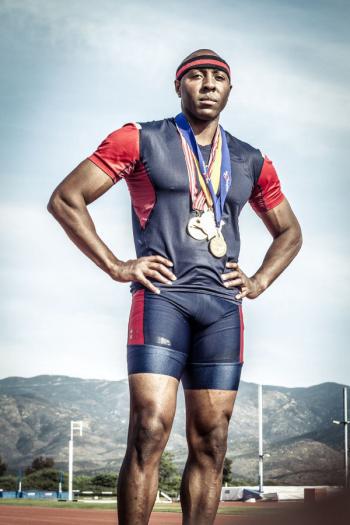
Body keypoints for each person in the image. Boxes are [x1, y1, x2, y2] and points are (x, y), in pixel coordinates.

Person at [47, 49, 302, 525]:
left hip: (223, 309)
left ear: (229, 90)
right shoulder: (140, 139)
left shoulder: (250, 160)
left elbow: (290, 230)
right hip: (162, 300)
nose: (208, 84)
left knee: (213, 440)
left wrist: (261, 279)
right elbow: (66, 198)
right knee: (149, 429)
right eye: (197, 76)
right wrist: (115, 264)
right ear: (178, 86)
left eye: (219, 77)